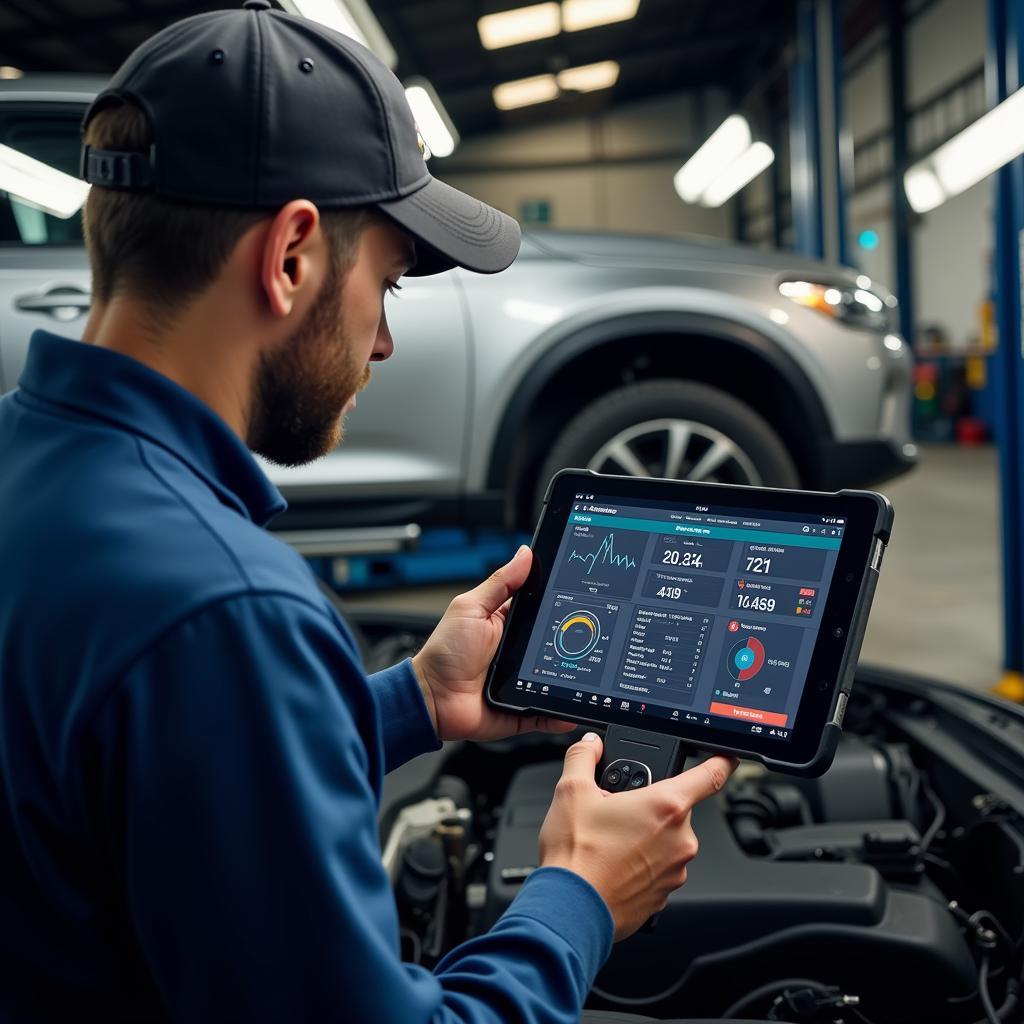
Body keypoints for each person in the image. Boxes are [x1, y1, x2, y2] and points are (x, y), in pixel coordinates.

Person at [0, 3, 736, 1021]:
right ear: (292, 254)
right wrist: (579, 900)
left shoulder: (26, 465)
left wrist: (413, 703)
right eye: (385, 283)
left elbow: (128, 780)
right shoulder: (225, 610)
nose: (381, 342)